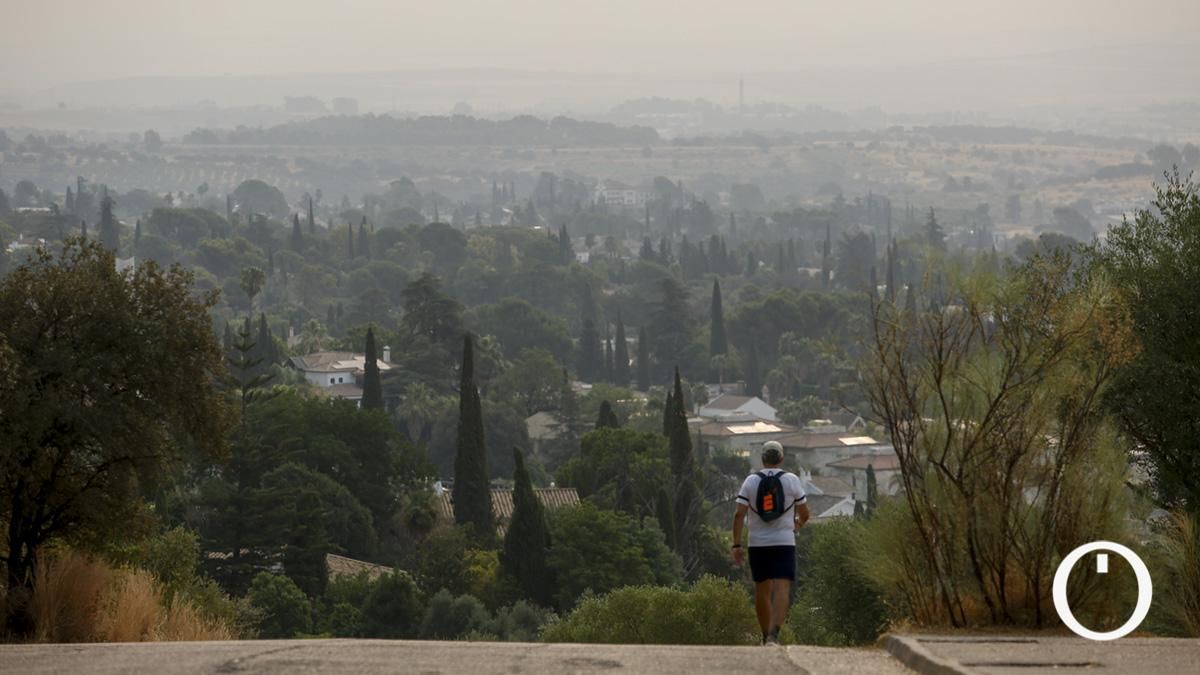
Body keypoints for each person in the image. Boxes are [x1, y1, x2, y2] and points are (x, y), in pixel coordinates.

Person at [731, 440, 809, 645]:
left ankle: (765, 637)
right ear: (781, 458)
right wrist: (797, 525)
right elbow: (805, 513)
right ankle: (775, 633)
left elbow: (739, 515)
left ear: (763, 459)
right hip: (785, 542)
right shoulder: (791, 480)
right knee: (783, 588)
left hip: (758, 543)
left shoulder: (750, 481)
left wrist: (736, 545)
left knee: (762, 590)